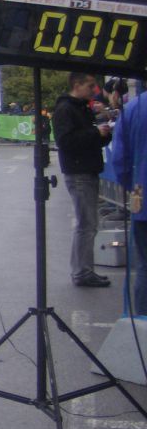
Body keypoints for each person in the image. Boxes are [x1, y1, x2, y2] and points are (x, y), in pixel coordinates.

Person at [52, 73, 113, 288]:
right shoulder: (66, 109)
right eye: (90, 85)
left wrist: (103, 132)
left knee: (88, 224)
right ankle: (82, 271)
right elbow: (66, 141)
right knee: (86, 225)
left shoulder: (81, 107)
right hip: (79, 172)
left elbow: (90, 138)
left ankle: (83, 269)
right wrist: (95, 133)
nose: (94, 89)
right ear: (77, 85)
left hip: (87, 169)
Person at [110, 85, 147, 315]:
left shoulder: (134, 107)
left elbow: (120, 159)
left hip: (141, 197)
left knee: (144, 266)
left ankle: (143, 323)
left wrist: (132, 188)